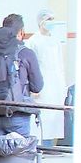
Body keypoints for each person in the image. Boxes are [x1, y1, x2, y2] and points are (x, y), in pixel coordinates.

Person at [0, 14, 44, 137]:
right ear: (21, 32)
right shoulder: (26, 53)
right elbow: (37, 86)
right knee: (19, 153)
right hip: (17, 114)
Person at [25, 10, 67, 141]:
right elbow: (30, 66)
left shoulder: (55, 40)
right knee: (41, 114)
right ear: (41, 22)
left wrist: (62, 84)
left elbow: (60, 63)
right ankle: (37, 144)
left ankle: (49, 144)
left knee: (54, 114)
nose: (50, 22)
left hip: (56, 82)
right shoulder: (33, 41)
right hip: (41, 81)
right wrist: (33, 87)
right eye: (48, 19)